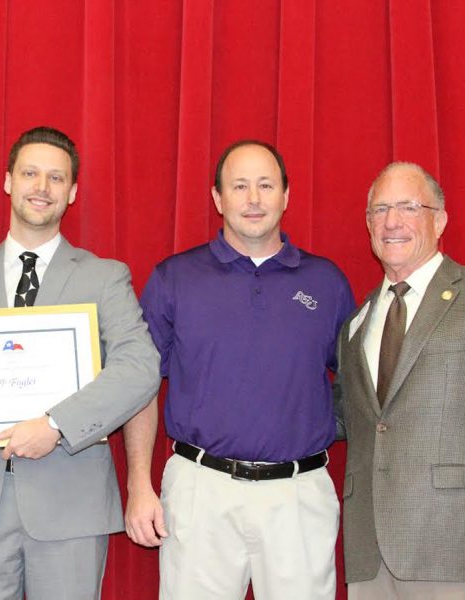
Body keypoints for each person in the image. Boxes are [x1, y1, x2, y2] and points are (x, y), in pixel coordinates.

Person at [0, 126, 160, 600]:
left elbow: (141, 366)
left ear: (71, 192)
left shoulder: (105, 277)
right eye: (30, 173)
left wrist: (56, 424)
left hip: (69, 503)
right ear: (9, 181)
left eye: (56, 178)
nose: (41, 187)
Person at [123, 140, 355, 599]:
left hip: (299, 495)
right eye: (240, 186)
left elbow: (355, 383)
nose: (253, 199)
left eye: (266, 185)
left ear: (286, 196)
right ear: (217, 198)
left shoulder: (325, 282)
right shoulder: (174, 278)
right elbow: (140, 386)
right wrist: (137, 484)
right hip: (200, 490)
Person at [334, 162, 465, 599]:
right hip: (371, 554)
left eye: (409, 207)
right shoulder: (356, 320)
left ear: (440, 219)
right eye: (379, 210)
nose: (392, 221)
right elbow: (350, 420)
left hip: (463, 550)